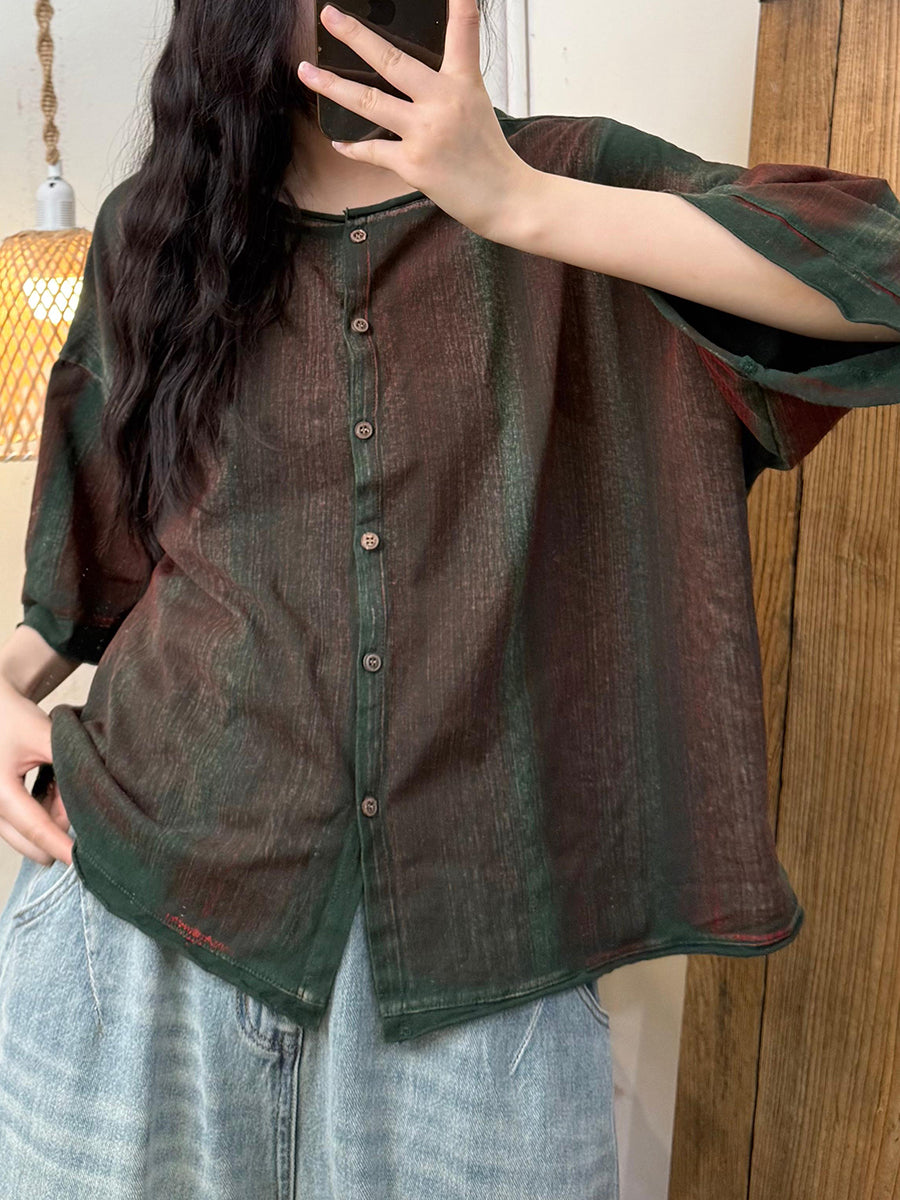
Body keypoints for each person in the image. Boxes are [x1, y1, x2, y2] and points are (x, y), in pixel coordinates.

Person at [2, 0, 900, 1195]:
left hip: (478, 972)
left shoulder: (572, 181)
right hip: (137, 930)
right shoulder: (155, 233)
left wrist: (518, 203)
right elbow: (97, 566)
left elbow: (879, 275)